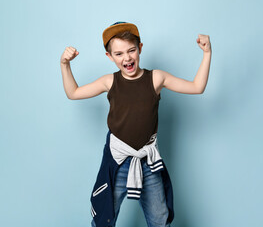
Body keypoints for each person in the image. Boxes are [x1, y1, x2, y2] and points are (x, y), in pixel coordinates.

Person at [60, 21, 212, 227]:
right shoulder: (109, 81)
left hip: (148, 161)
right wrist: (65, 65)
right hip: (118, 161)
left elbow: (197, 87)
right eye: (119, 54)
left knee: (160, 216)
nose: (127, 57)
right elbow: (73, 93)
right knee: (104, 215)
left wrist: (207, 54)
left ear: (140, 48)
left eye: (131, 50)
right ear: (110, 57)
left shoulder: (156, 78)